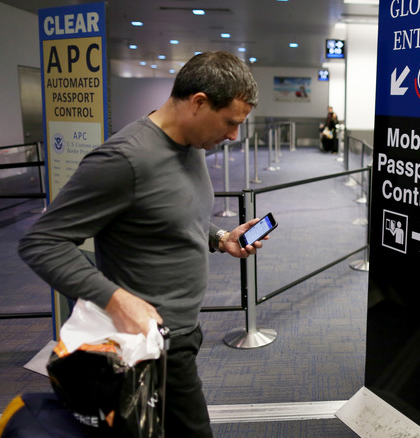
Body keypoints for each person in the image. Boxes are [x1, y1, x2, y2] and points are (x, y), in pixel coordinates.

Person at [18, 51, 262, 438]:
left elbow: (174, 214)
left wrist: (219, 237)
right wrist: (116, 298)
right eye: (230, 122)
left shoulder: (191, 145)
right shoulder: (124, 159)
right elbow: (41, 242)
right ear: (198, 103)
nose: (233, 136)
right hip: (149, 344)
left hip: (183, 331)